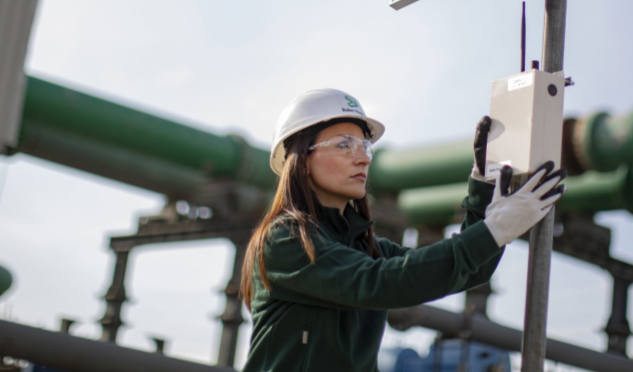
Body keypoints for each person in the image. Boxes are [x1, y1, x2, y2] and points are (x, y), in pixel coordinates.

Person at [240, 88, 566, 372]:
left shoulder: (367, 249)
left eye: (364, 147)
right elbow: (383, 282)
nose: (362, 159)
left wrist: (483, 188)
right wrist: (495, 229)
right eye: (344, 145)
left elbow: (470, 270)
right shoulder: (285, 240)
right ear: (300, 159)